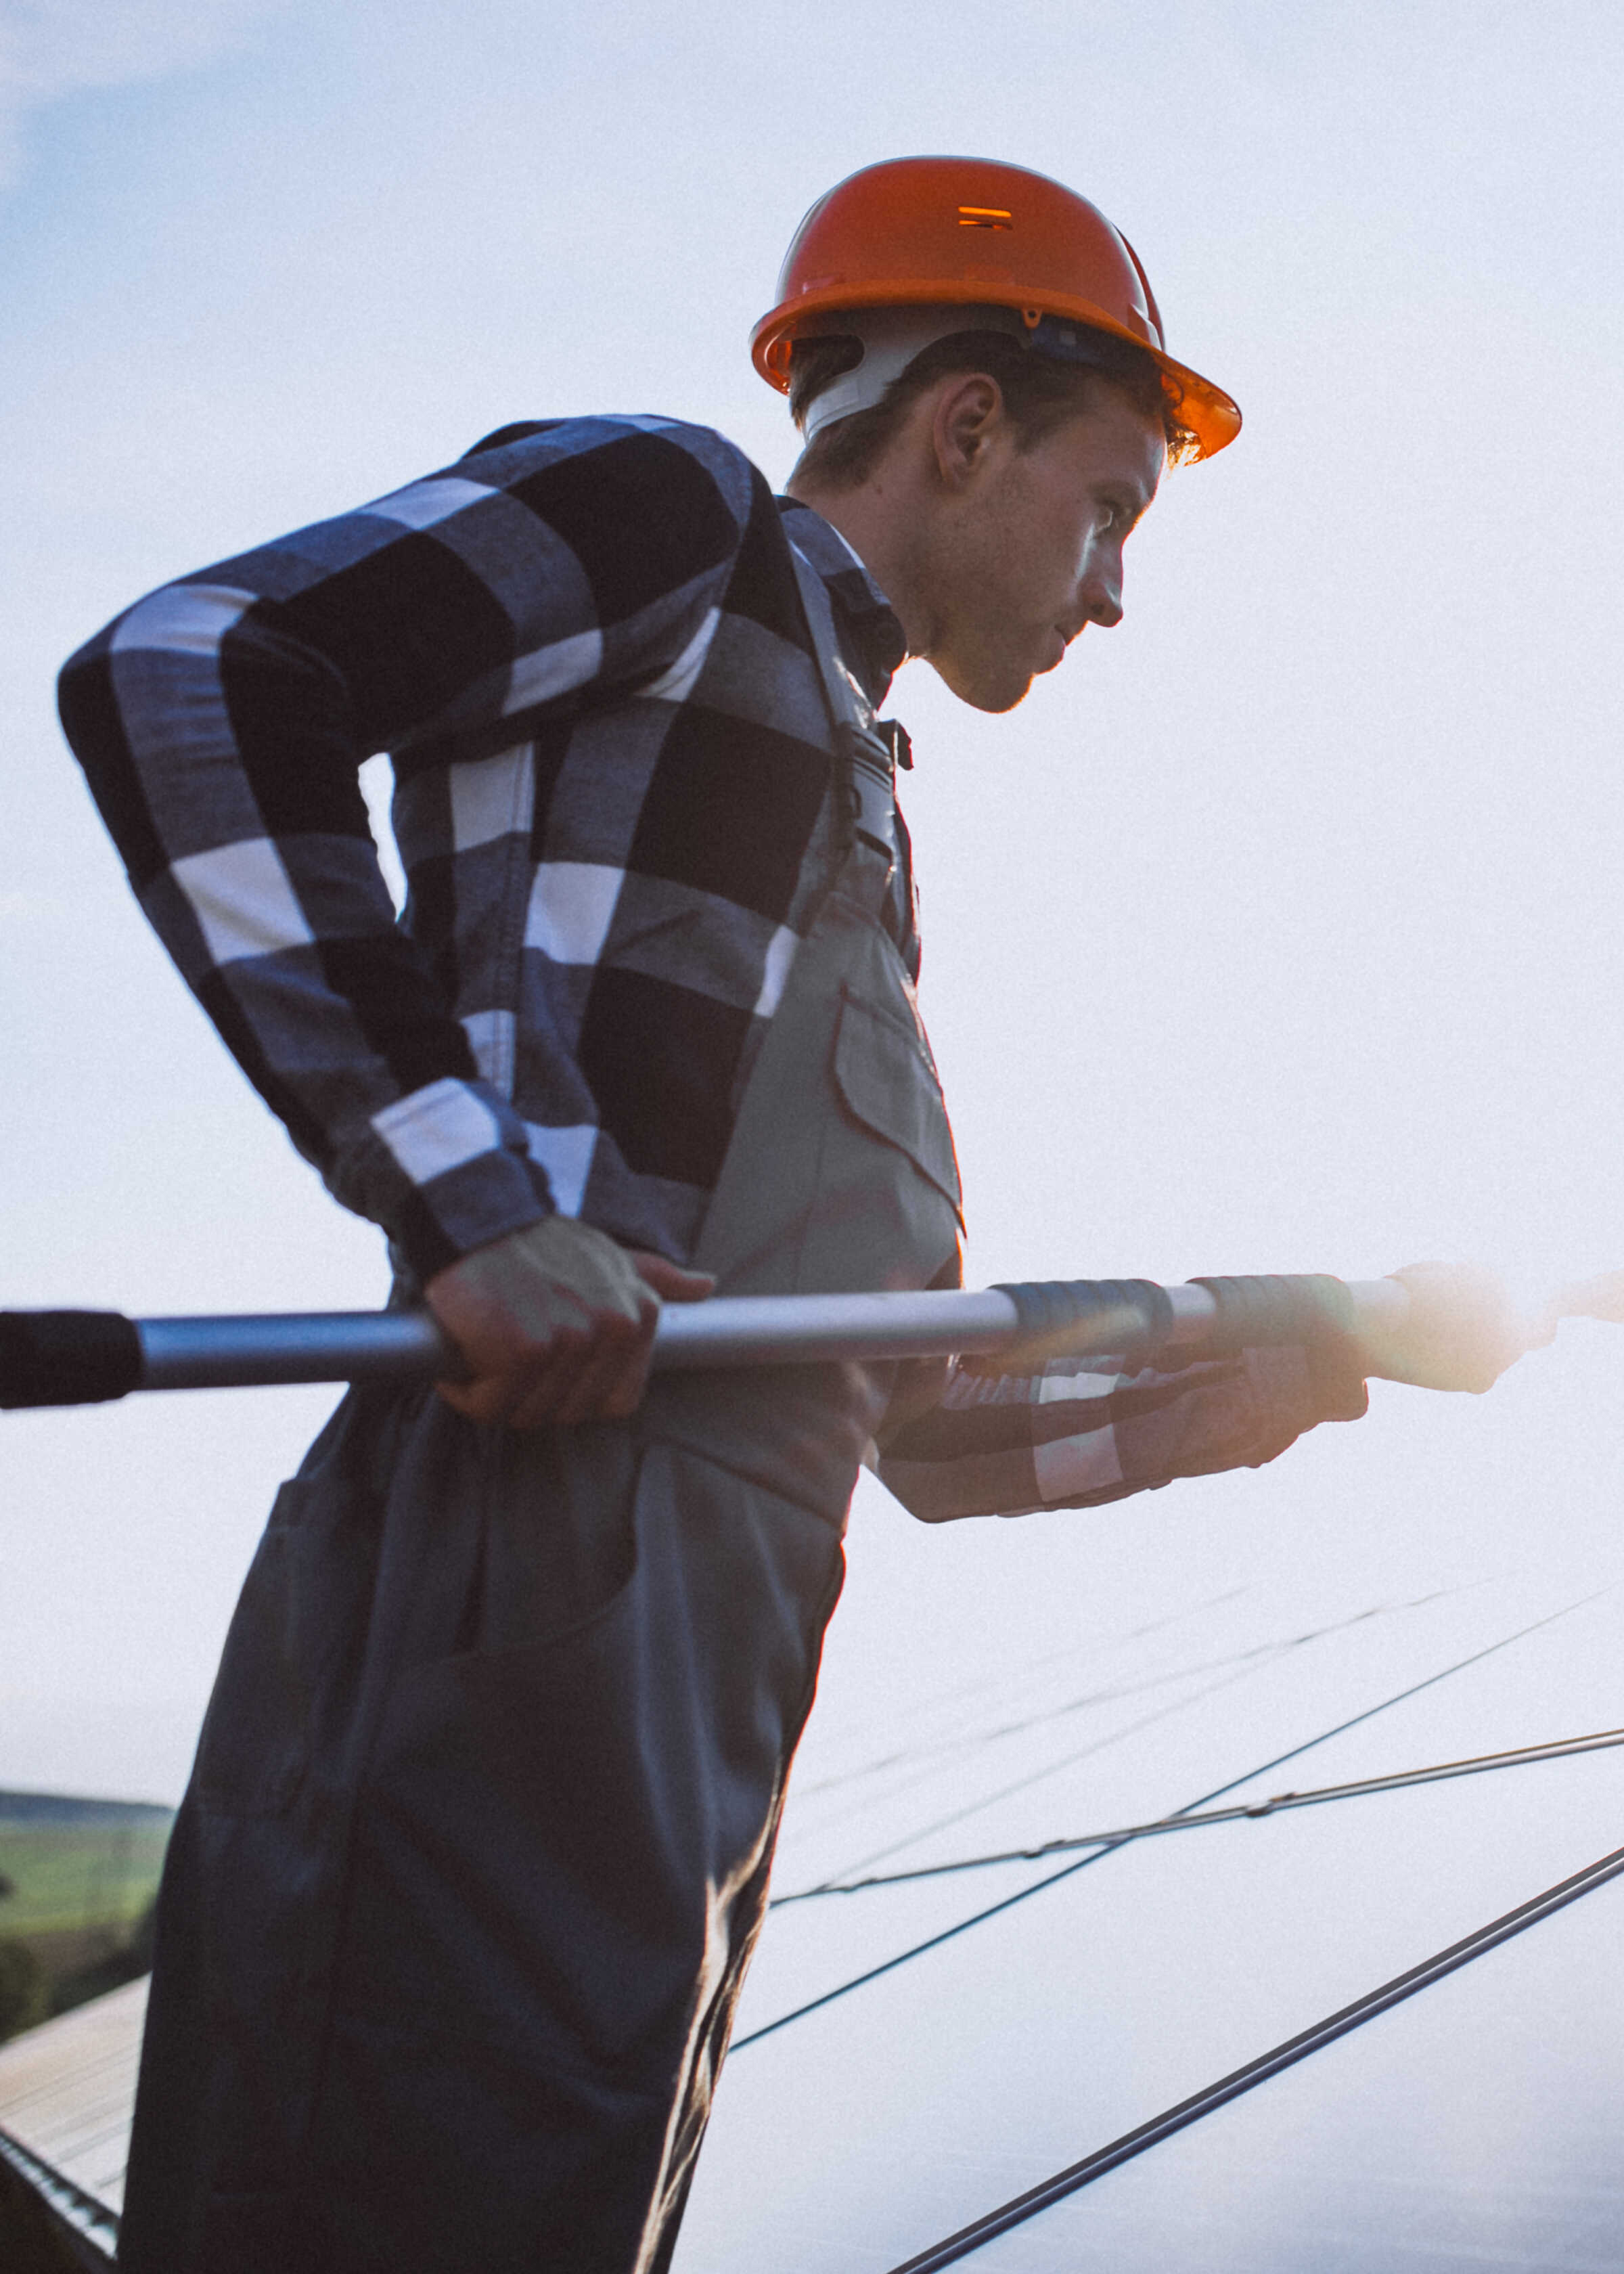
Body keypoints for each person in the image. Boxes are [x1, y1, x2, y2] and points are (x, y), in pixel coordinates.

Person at [55, 155, 1520, 2272]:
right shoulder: (673, 518)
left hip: (703, 1692)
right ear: (963, 427)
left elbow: (903, 1422)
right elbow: (191, 672)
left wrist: (1331, 1351)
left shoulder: (846, 790)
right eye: (1112, 511)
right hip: (518, 1583)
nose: (1113, 590)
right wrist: (465, 1200)